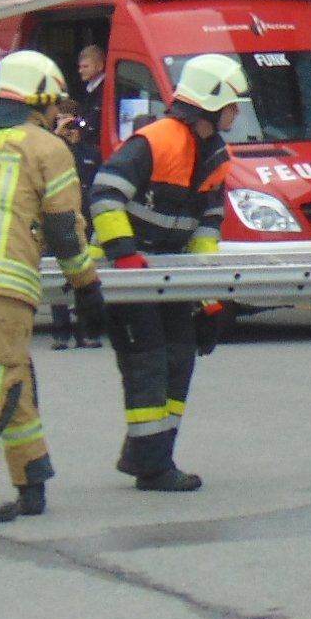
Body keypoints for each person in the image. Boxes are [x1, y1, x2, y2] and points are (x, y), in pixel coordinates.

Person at [0, 52, 101, 527]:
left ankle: (32, 479)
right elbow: (64, 229)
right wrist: (86, 285)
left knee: (13, 376)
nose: (57, 114)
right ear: (40, 100)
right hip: (4, 280)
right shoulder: (47, 148)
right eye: (54, 104)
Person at [89, 52, 244, 492]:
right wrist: (123, 254)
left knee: (179, 358)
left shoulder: (214, 156)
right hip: (129, 273)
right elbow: (104, 195)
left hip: (170, 275)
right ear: (212, 103)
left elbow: (207, 230)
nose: (236, 113)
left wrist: (207, 299)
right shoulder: (155, 141)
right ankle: (153, 467)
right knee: (149, 364)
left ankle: (151, 455)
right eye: (233, 105)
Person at [48, 103, 105, 350]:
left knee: (83, 275)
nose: (68, 126)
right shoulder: (50, 151)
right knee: (57, 272)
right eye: (61, 120)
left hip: (85, 220)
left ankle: (86, 332)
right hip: (58, 217)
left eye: (71, 121)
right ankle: (61, 332)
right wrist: (58, 138)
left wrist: (75, 143)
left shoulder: (90, 153)